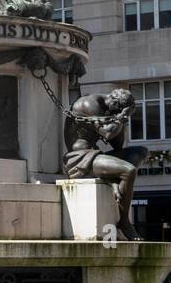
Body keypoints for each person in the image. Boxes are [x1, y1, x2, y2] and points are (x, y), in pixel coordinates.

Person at [63, 89, 149, 240]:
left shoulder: (110, 109)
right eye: (118, 109)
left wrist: (121, 120)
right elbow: (107, 133)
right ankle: (124, 221)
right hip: (79, 158)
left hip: (95, 155)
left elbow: (117, 145)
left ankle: (114, 180)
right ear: (115, 103)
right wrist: (122, 116)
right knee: (129, 171)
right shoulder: (91, 104)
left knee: (140, 152)